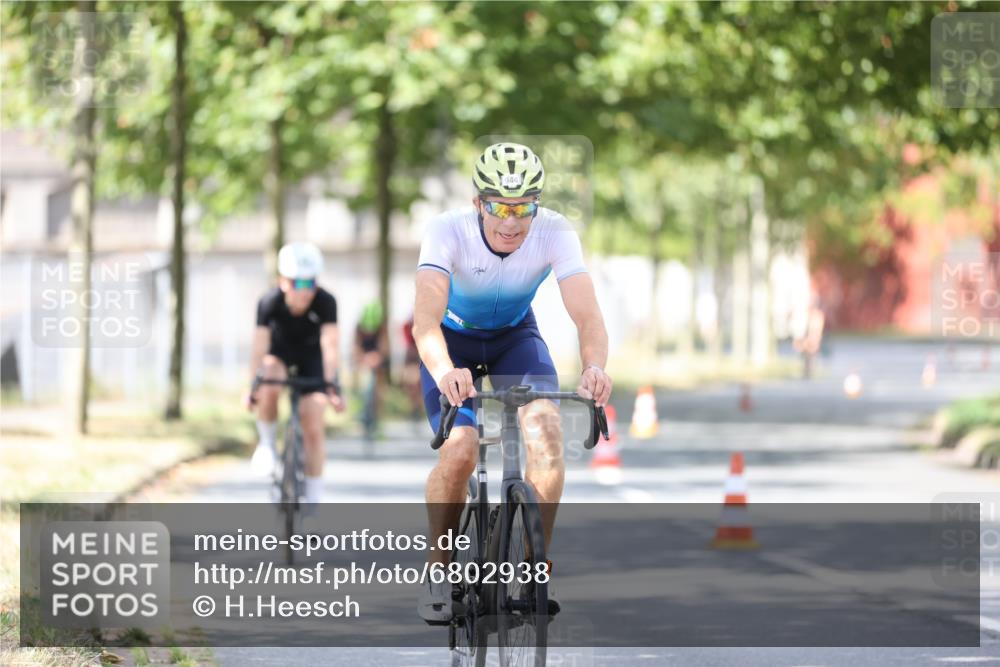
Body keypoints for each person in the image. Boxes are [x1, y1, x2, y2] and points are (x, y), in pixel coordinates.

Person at [412, 142, 613, 622]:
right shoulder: (446, 231)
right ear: (479, 202)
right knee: (459, 450)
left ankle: (533, 567)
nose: (511, 220)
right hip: (451, 343)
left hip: (513, 341)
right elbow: (424, 324)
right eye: (500, 206)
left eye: (523, 206)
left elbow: (588, 315)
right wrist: (444, 372)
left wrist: (595, 366)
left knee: (545, 436)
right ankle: (439, 570)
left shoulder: (555, 232)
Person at [245, 242, 344, 508]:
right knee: (269, 379)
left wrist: (333, 385)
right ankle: (266, 443)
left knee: (313, 423)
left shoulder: (325, 302)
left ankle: (312, 504)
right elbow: (259, 348)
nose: (306, 291)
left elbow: (330, 346)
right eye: (298, 283)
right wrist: (252, 386)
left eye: (310, 283)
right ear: (282, 281)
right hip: (279, 355)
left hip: (311, 359)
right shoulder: (269, 303)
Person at [351, 300, 390, 436]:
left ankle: (377, 420)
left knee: (378, 390)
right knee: (361, 383)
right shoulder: (358, 327)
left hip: (377, 359)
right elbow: (355, 348)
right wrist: (362, 359)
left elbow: (384, 348)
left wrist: (377, 357)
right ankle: (361, 413)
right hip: (364, 358)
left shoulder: (382, 328)